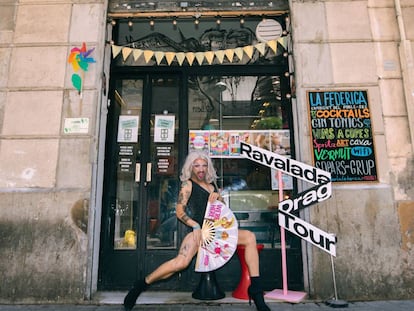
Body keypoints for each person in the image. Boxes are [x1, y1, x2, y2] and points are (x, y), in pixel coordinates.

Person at [123, 151, 271, 311]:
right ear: (191, 167)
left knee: (249, 237)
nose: (201, 169)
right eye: (197, 165)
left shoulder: (213, 185)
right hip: (198, 231)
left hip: (216, 232)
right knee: (181, 263)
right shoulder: (187, 185)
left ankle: (255, 289)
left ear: (208, 167)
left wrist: (218, 198)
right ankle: (141, 285)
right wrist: (195, 225)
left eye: (204, 165)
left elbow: (221, 211)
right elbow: (179, 211)